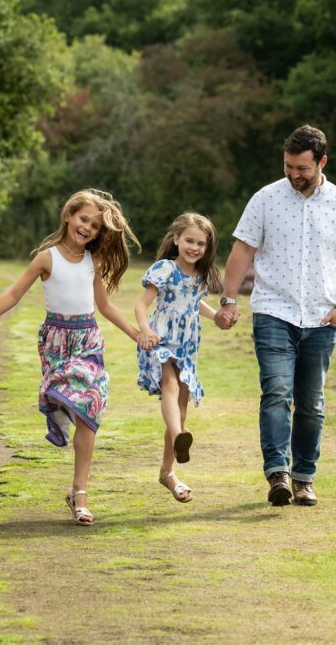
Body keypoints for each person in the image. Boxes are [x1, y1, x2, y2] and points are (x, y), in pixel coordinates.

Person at [215, 125, 336, 507]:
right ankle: (278, 473)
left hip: (321, 318)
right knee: (277, 392)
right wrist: (229, 299)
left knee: (311, 403)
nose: (294, 174)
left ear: (322, 162)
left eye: (302, 168)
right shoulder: (265, 199)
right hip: (273, 312)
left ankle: (304, 478)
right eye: (288, 166)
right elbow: (242, 251)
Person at [0, 189, 140, 526]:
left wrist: (136, 334)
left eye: (95, 226)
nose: (88, 228)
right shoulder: (46, 258)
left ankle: (79, 492)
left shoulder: (94, 261)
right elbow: (13, 294)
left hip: (88, 340)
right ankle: (76, 488)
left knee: (89, 407)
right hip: (57, 343)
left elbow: (105, 306)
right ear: (68, 216)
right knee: (71, 403)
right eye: (84, 220)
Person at [134, 213, 222, 503]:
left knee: (180, 410)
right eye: (189, 241)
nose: (194, 248)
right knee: (170, 387)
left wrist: (216, 316)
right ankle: (179, 436)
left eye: (200, 244)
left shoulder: (201, 276)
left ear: (207, 248)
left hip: (186, 347)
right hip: (160, 340)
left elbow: (195, 303)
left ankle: (168, 471)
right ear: (176, 239)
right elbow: (141, 304)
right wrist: (145, 329)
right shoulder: (165, 269)